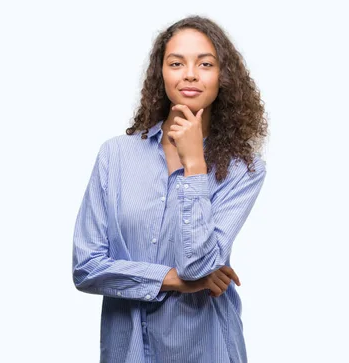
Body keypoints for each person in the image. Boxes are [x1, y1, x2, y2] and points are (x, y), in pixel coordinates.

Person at [72, 15, 268, 363]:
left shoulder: (244, 169)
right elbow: (87, 267)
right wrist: (173, 280)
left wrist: (194, 165)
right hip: (126, 350)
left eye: (205, 64)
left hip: (206, 348)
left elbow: (199, 264)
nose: (190, 74)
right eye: (176, 63)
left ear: (223, 77)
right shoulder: (115, 156)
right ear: (160, 73)